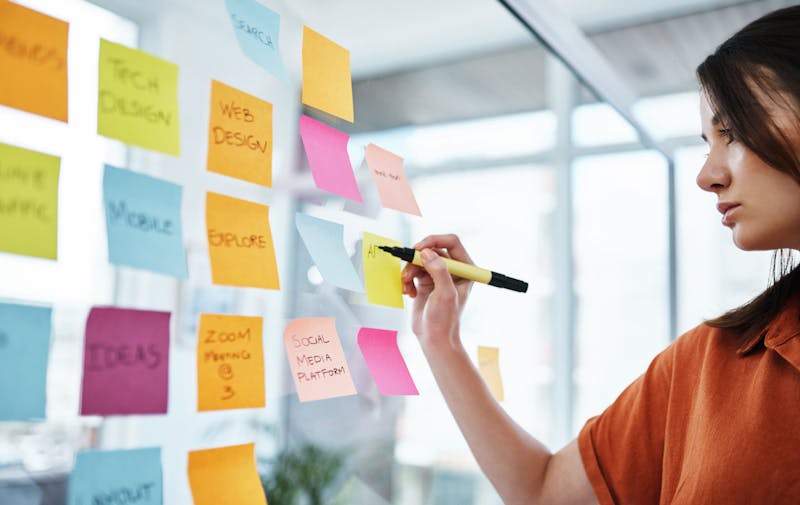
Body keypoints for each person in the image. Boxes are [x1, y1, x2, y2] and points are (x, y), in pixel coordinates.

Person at [400, 6, 800, 505]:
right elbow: (544, 492)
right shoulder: (707, 366)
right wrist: (441, 341)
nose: (707, 175)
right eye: (707, 143)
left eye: (733, 132)